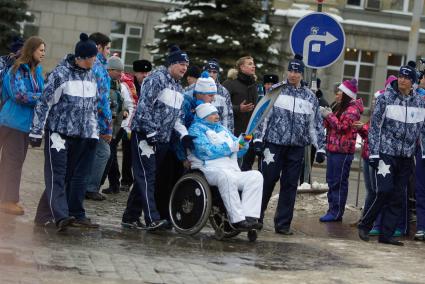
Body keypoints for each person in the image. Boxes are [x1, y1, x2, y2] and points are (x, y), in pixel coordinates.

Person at [30, 33, 100, 230]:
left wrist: (93, 133)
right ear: (84, 57)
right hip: (58, 135)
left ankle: (43, 215)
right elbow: (44, 104)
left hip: (80, 137)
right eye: (93, 56)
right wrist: (36, 132)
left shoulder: (92, 76)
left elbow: (92, 109)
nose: (96, 60)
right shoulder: (60, 75)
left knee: (64, 178)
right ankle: (61, 216)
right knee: (57, 176)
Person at [121, 45, 194, 231]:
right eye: (180, 64)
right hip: (145, 137)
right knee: (147, 178)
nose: (184, 68)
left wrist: (183, 134)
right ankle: (152, 218)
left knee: (144, 178)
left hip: (163, 140)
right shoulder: (157, 79)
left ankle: (130, 216)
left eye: (186, 64)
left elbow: (176, 116)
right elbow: (144, 108)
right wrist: (151, 133)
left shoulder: (178, 87)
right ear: (171, 64)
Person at [253, 54, 326, 235]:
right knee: (267, 180)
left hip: (296, 147)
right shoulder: (277, 90)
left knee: (290, 185)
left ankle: (283, 224)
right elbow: (263, 117)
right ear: (287, 72)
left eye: (297, 71)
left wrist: (320, 147)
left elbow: (315, 124)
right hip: (274, 144)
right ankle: (256, 217)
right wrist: (258, 139)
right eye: (291, 70)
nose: (293, 74)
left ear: (302, 74)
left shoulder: (310, 97)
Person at [358, 61, 425, 246]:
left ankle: (386, 235)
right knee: (384, 191)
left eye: (407, 77)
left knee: (398, 196)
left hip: (406, 156)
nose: (402, 80)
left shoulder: (420, 102)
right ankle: (365, 224)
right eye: (400, 76)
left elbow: (423, 129)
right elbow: (375, 128)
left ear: (413, 81)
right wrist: (374, 153)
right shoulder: (385, 98)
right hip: (387, 154)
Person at [188, 103, 263, 230]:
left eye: (217, 113)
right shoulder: (195, 130)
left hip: (231, 168)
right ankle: (237, 220)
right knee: (226, 177)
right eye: (213, 114)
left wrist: (244, 142)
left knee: (256, 176)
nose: (217, 116)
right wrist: (231, 147)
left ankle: (250, 216)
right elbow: (205, 151)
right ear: (203, 116)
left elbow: (238, 151)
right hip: (210, 169)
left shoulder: (222, 129)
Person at [0, 36, 45, 215]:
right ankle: (8, 200)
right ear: (31, 50)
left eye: (44, 50)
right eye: (41, 50)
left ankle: (5, 198)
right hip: (11, 122)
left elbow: (42, 91)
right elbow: (19, 95)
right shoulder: (17, 69)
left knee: (13, 161)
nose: (43, 53)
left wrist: (39, 97)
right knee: (13, 161)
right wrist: (40, 98)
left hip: (25, 125)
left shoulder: (37, 71)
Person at [319, 79, 363, 222]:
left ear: (346, 95)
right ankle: (333, 209)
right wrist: (325, 115)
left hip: (343, 151)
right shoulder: (339, 106)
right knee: (332, 181)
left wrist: (329, 116)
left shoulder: (352, 110)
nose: (337, 95)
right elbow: (330, 125)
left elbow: (342, 127)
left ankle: (336, 212)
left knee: (338, 182)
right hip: (333, 149)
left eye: (339, 93)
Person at [85, 32, 112, 201]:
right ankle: (90, 187)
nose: (109, 52)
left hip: (88, 119)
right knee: (104, 152)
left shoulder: (94, 65)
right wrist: (107, 127)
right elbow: (102, 100)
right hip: (94, 121)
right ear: (99, 47)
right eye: (107, 48)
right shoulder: (99, 68)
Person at [100, 56, 134, 194]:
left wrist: (125, 115)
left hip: (118, 126)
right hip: (105, 125)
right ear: (110, 69)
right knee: (109, 155)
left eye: (122, 71)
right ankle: (110, 182)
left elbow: (129, 104)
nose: (121, 74)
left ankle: (111, 183)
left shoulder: (122, 86)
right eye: (118, 71)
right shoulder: (103, 82)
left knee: (110, 154)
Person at [119, 59, 152, 192]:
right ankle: (126, 181)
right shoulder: (128, 85)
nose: (144, 75)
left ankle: (139, 181)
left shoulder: (151, 85)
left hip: (144, 125)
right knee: (127, 152)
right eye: (142, 72)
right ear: (135, 73)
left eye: (147, 72)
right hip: (128, 124)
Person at [222, 56, 258, 170]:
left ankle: (242, 188)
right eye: (250, 64)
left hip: (247, 134)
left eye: (253, 63)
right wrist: (238, 109)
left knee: (245, 165)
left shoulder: (254, 85)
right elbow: (220, 107)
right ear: (242, 67)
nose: (254, 66)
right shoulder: (230, 83)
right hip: (232, 134)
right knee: (233, 165)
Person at [204, 58, 234, 133]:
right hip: (200, 133)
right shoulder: (196, 88)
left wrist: (228, 135)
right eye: (209, 71)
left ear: (217, 74)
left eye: (214, 72)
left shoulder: (223, 92)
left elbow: (227, 117)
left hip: (218, 135)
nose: (211, 74)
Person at [415, 71, 425, 240]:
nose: (421, 80)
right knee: (421, 191)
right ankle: (422, 227)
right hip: (421, 151)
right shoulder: (419, 100)